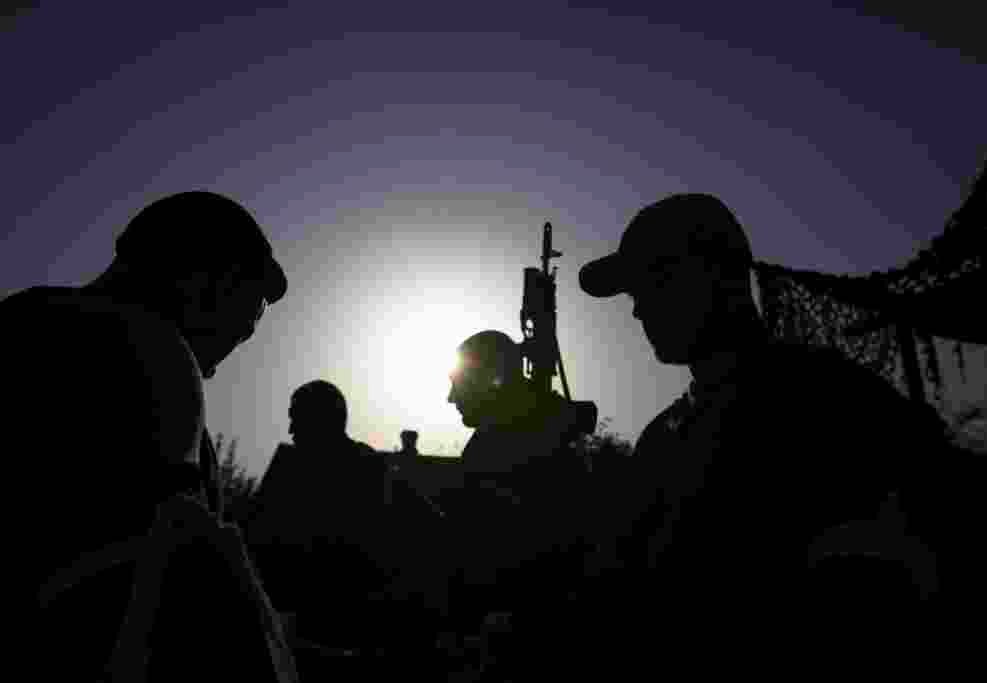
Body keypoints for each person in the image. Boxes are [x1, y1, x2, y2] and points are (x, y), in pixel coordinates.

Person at [576, 193, 963, 675]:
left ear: (721, 274)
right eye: (634, 292)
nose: (638, 310)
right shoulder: (663, 437)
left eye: (657, 278)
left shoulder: (831, 400)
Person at [7, 190, 294, 681]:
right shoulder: (148, 344)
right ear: (207, 283)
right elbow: (181, 586)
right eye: (244, 320)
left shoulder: (20, 320)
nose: (238, 341)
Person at [250, 379, 448, 673]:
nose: (291, 431)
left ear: (322, 419)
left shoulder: (370, 471)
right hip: (310, 638)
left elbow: (431, 528)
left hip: (362, 647)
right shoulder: (303, 477)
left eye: (297, 419)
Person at [444, 330, 590, 677]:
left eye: (457, 383)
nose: (450, 397)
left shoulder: (508, 444)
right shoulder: (516, 437)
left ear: (490, 381)